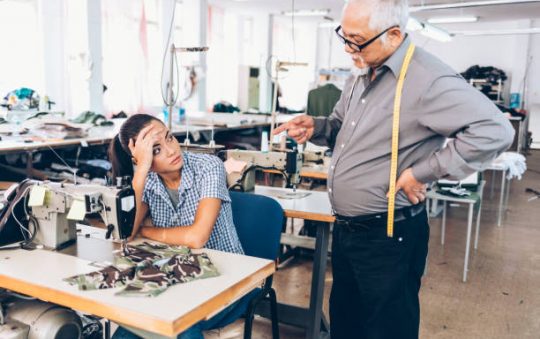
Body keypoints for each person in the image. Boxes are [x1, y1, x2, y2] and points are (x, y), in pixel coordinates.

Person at [273, 0, 514, 338]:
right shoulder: (361, 73)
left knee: (387, 330)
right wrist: (318, 126)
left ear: (394, 34)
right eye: (344, 36)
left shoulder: (428, 78)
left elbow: (495, 131)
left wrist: (423, 172)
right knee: (347, 323)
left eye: (356, 39)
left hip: (388, 236)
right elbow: (343, 126)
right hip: (346, 231)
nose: (347, 48)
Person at [108, 113, 252, 339]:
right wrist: (142, 171)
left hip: (227, 281)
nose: (171, 150)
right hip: (179, 278)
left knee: (180, 324)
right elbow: (126, 233)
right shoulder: (147, 179)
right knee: (131, 324)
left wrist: (147, 230)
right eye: (155, 150)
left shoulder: (208, 166)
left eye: (169, 138)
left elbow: (197, 237)